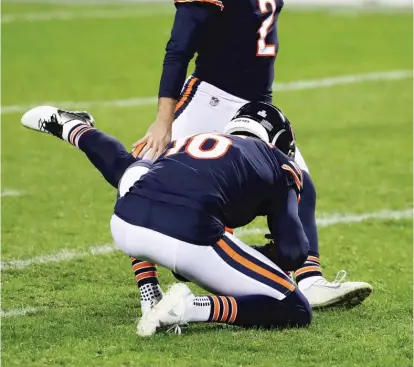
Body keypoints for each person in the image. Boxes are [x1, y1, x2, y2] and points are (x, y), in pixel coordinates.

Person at [131, 0, 378, 307]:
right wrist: (163, 118)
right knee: (144, 181)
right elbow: (178, 53)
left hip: (257, 108)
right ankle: (147, 285)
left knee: (300, 186)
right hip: (209, 99)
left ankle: (309, 278)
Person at [21, 102, 372, 324]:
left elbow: (118, 165)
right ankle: (190, 309)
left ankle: (73, 127)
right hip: (188, 237)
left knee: (132, 175)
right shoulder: (280, 164)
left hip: (124, 224)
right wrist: (266, 253)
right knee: (294, 308)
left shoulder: (187, 143)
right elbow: (295, 252)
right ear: (281, 142)